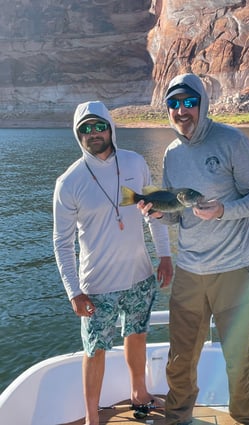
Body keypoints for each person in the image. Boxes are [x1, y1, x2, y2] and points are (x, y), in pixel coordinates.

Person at [138, 74, 249, 425]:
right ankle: (178, 417)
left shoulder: (232, 141)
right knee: (180, 357)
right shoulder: (171, 153)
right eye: (173, 104)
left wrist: (224, 211)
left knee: (237, 358)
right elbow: (177, 216)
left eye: (188, 102)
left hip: (235, 271)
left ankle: (248, 419)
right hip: (190, 272)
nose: (181, 111)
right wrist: (156, 213)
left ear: (202, 103)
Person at [53, 100, 173, 425]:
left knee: (137, 334)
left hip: (140, 276)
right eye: (85, 129)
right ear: (78, 135)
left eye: (99, 126)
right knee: (95, 350)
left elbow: (154, 214)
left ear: (110, 127)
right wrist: (73, 292)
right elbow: (62, 243)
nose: (94, 133)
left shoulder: (135, 163)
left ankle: (140, 393)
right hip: (96, 287)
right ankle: (93, 417)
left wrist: (165, 255)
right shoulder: (69, 182)